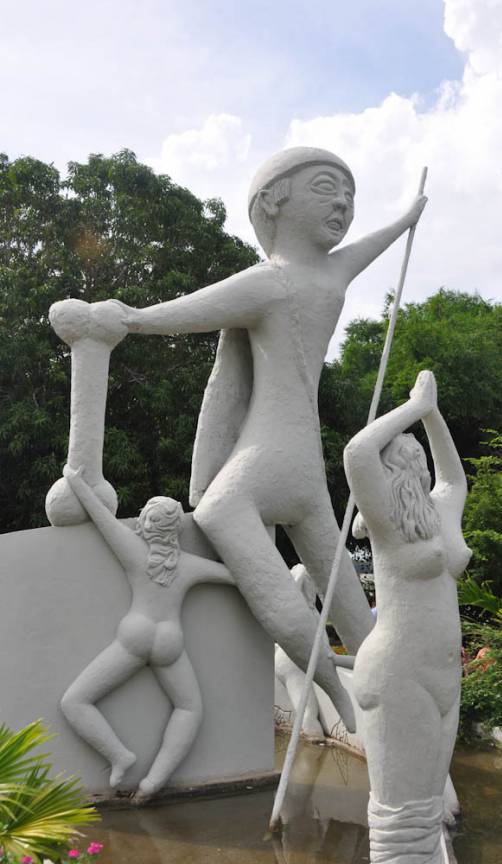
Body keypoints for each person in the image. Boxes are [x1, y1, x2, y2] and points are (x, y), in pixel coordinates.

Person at [96, 147, 427, 731]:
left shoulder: (274, 281)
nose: (344, 204)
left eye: (350, 195)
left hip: (269, 458)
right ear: (273, 201)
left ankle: (338, 692)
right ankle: (393, 700)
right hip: (296, 461)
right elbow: (203, 308)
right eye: (327, 188)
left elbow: (184, 314)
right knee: (346, 594)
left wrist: (130, 318)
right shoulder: (326, 276)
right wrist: (404, 221)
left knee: (222, 509)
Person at [344, 370, 471, 862]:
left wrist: (434, 413)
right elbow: (356, 452)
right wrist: (414, 407)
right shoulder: (384, 519)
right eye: (405, 454)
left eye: (418, 456)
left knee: (426, 817)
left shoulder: (441, 510)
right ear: (390, 469)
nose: (415, 460)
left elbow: (454, 477)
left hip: (443, 677)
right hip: (399, 676)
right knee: (401, 824)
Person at [60, 465, 234, 798]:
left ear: (144, 523)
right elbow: (236, 576)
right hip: (169, 640)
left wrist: (73, 479)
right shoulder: (190, 565)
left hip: (135, 635)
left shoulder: (135, 552)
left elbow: (102, 518)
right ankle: (153, 782)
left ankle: (118, 756)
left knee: (75, 701)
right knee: (190, 709)